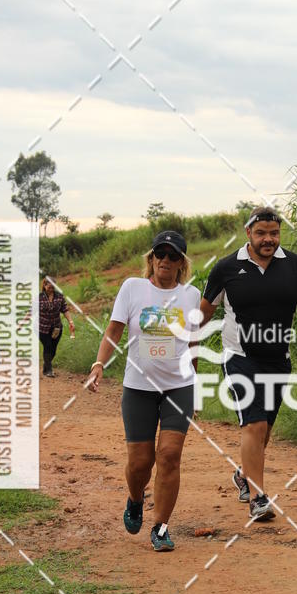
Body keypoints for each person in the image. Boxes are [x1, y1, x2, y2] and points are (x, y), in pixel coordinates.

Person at [199, 206, 297, 521]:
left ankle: (243, 474)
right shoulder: (227, 268)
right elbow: (204, 313)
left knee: (264, 429)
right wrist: (187, 346)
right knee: (253, 424)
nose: (268, 239)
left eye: (274, 233)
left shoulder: (294, 265)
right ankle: (258, 498)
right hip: (239, 358)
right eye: (261, 233)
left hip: (279, 360)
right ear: (248, 233)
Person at [88, 230, 200, 552]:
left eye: (173, 256)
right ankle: (136, 498)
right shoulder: (132, 288)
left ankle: (160, 528)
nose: (166, 260)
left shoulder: (191, 295)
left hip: (179, 386)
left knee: (170, 456)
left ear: (181, 263)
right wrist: (99, 363)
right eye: (160, 254)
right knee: (140, 463)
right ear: (151, 259)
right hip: (139, 388)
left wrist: (196, 384)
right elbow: (113, 331)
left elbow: (192, 344)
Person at [39, 277, 75, 377]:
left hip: (56, 327)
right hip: (42, 328)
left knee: (53, 350)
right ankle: (49, 370)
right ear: (44, 286)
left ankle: (46, 365)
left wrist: (70, 321)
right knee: (47, 346)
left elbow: (65, 309)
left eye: (53, 286)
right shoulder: (39, 298)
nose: (51, 288)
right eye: (49, 286)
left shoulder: (59, 296)